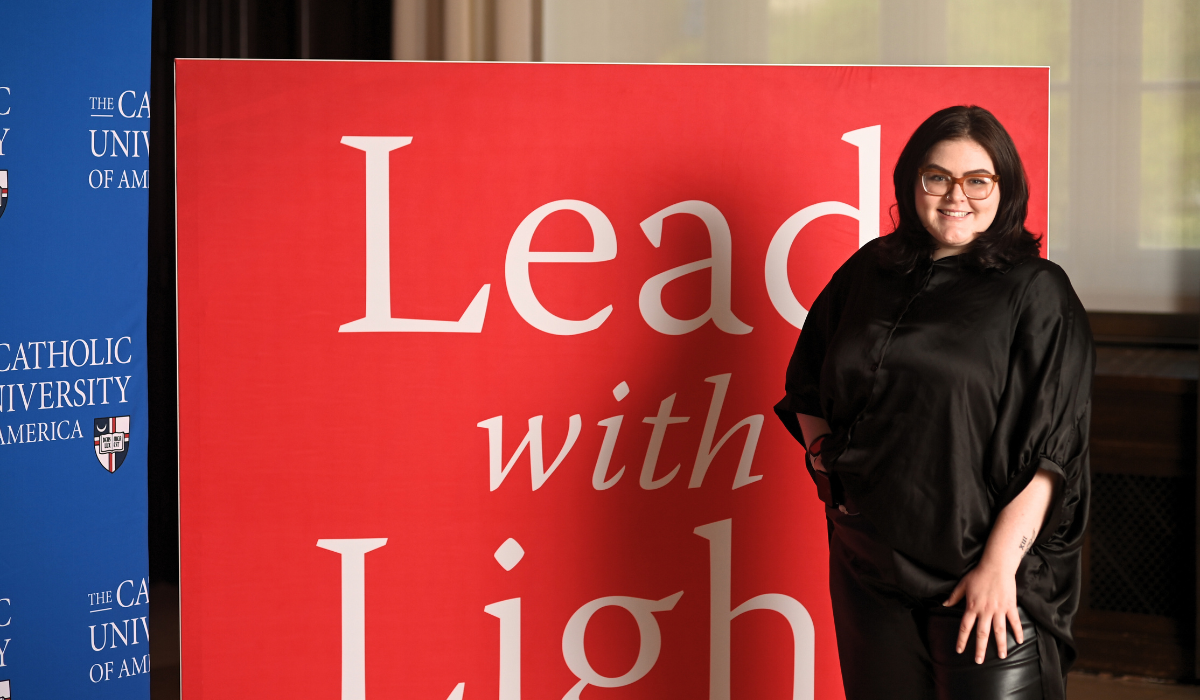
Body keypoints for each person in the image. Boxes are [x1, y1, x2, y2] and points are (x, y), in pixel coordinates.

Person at [775, 105, 1093, 700]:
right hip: (869, 567)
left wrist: (998, 570)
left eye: (978, 180)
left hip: (983, 573)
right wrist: (824, 457)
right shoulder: (870, 269)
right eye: (937, 177)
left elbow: (1054, 451)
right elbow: (808, 380)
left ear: (1005, 188)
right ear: (911, 183)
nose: (956, 196)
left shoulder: (1037, 290)